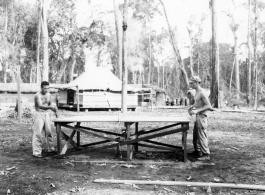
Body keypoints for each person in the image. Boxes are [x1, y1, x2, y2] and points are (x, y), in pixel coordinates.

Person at [188, 76, 212, 161]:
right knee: (195, 134)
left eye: (192, 83)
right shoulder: (196, 92)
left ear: (197, 83)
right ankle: (197, 151)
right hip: (197, 115)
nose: (190, 84)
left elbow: (209, 106)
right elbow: (197, 102)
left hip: (202, 116)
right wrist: (192, 107)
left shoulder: (202, 92)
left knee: (201, 135)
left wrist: (197, 111)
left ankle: (206, 154)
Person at [32, 81, 58, 158]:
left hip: (46, 114)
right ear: (41, 87)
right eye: (44, 88)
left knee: (49, 132)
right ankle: (36, 152)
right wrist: (50, 108)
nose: (46, 90)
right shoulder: (37, 95)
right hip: (38, 114)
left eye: (47, 88)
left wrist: (56, 111)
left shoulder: (49, 94)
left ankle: (51, 148)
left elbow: (51, 104)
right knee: (38, 133)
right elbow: (40, 106)